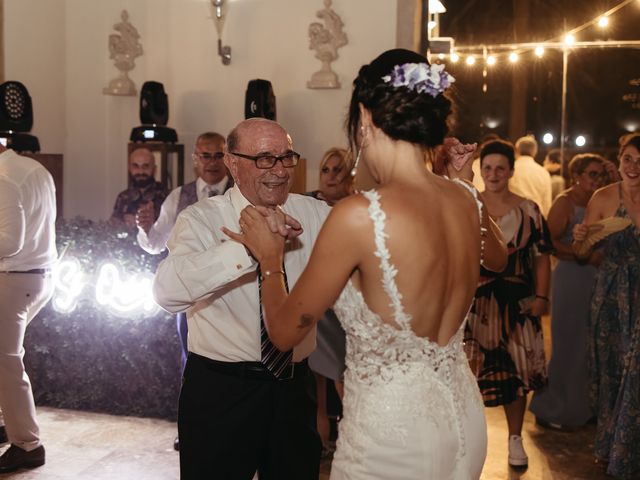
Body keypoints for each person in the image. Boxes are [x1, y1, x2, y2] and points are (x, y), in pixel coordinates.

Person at [225, 49, 507, 479]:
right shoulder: (465, 197)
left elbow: (283, 333)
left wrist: (269, 257)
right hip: (464, 416)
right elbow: (500, 259)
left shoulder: (361, 215)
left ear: (365, 117)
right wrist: (457, 178)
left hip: (393, 430)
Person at [152, 117, 330, 480]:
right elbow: (167, 292)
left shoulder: (314, 214)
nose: (279, 171)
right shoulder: (201, 219)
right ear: (233, 163)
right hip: (222, 391)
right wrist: (249, 251)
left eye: (286, 158)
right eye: (265, 158)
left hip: (294, 388)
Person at [136, 131, 233, 451]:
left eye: (218, 155)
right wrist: (145, 227)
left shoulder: (241, 191)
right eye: (205, 155)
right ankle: (190, 426)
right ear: (194, 159)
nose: (211, 162)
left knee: (232, 362)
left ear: (228, 157)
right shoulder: (179, 196)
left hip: (233, 293)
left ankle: (230, 425)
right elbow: (155, 243)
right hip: (192, 299)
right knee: (191, 362)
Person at [464, 138, 552, 468]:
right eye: (487, 167)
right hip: (473, 304)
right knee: (469, 374)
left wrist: (542, 298)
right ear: (480, 170)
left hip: (517, 305)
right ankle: (470, 441)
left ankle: (515, 438)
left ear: (511, 171)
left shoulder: (529, 209)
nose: (494, 173)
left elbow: (541, 258)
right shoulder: (467, 204)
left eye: (501, 167)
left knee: (516, 374)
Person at [572, 133, 640, 478]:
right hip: (612, 293)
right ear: (619, 160)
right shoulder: (603, 198)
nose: (634, 167)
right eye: (628, 159)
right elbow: (584, 256)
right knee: (611, 371)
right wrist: (582, 240)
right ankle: (609, 445)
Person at [529, 153, 607, 429]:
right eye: (592, 174)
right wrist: (581, 254)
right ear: (577, 175)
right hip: (571, 277)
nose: (597, 179)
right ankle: (552, 407)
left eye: (600, 174)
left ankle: (584, 406)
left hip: (596, 278)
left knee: (590, 343)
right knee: (567, 343)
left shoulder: (601, 201)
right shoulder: (565, 202)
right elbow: (548, 241)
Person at [0, 145, 57, 473]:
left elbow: (10, 241)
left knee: (6, 361)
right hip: (39, 277)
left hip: (14, 279)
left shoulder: (4, 177)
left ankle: (27, 443)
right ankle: (5, 423)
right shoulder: (33, 167)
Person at [306, 147, 354, 454]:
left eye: (338, 170)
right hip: (312, 295)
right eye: (326, 169)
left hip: (348, 298)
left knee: (343, 371)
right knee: (314, 379)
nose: (331, 176)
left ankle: (353, 435)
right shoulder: (306, 203)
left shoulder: (358, 206)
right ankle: (318, 438)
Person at [110, 147, 168, 228]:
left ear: (154, 169)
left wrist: (149, 222)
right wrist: (123, 223)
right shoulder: (123, 197)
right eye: (135, 166)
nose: (141, 171)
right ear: (130, 169)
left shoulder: (167, 196)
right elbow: (113, 226)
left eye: (146, 166)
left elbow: (173, 229)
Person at [509, 135, 553, 216]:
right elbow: (546, 203)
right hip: (535, 218)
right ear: (535, 152)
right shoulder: (543, 172)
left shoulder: (509, 169)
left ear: (517, 150)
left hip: (512, 216)